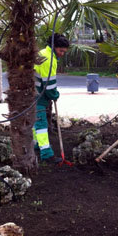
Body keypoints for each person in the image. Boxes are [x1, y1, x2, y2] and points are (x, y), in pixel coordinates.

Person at [33, 34, 69, 163]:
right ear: (54, 47)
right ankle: (46, 153)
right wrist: (55, 95)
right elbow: (49, 85)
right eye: (61, 51)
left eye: (65, 52)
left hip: (32, 93)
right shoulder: (49, 59)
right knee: (41, 124)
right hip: (37, 95)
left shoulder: (43, 52)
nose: (62, 54)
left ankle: (36, 145)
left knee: (35, 122)